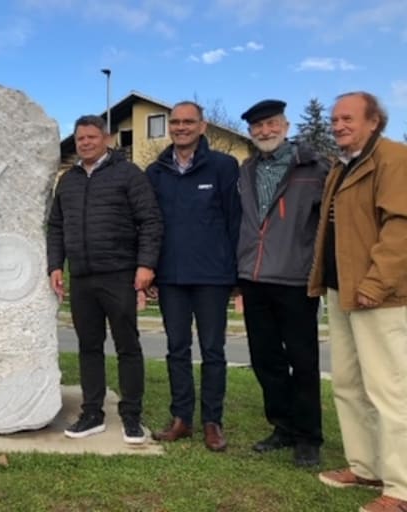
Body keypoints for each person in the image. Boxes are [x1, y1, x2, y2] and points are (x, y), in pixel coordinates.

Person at [309, 92, 407, 511]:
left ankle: (400, 488)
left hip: (377, 296)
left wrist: (376, 283)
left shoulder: (392, 158)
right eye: (334, 119)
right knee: (348, 384)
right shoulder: (342, 165)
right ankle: (365, 466)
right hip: (341, 289)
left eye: (347, 118)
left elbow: (401, 226)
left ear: (373, 121)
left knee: (389, 390)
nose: (338, 125)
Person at [46, 115, 163, 444]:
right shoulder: (67, 181)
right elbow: (56, 227)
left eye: (91, 137)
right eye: (80, 138)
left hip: (119, 274)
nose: (85, 143)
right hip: (82, 277)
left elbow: (150, 222)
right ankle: (92, 413)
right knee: (89, 347)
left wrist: (146, 266)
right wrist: (56, 264)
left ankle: (131, 416)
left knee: (128, 346)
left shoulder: (128, 174)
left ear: (106, 139)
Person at [237, 99, 328, 467]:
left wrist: (320, 270)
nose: (265, 131)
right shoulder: (245, 170)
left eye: (271, 124)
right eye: (257, 126)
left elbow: (328, 224)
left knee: (303, 361)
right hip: (253, 277)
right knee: (265, 360)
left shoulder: (315, 167)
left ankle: (309, 437)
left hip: (294, 278)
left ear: (286, 126)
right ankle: (283, 426)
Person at [145, 101, 240, 452]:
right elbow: (149, 225)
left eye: (188, 122)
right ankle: (181, 418)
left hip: (213, 277)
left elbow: (235, 222)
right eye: (175, 122)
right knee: (176, 349)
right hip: (171, 277)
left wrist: (236, 278)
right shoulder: (155, 172)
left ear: (202, 127)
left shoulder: (224, 167)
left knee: (213, 351)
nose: (180, 127)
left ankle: (212, 422)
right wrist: (149, 269)